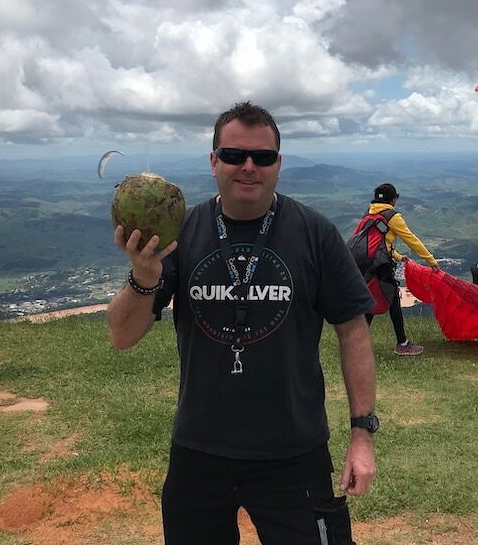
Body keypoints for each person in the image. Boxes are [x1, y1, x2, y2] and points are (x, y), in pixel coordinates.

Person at [107, 101, 377, 545]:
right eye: (233, 156)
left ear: (278, 164)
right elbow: (121, 335)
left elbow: (353, 330)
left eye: (263, 157)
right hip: (199, 450)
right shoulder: (181, 235)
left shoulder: (316, 234)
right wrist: (144, 277)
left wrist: (362, 435)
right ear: (214, 161)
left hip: (294, 451)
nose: (248, 167)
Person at [364, 183, 440, 357]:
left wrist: (397, 256)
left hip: (366, 264)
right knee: (392, 301)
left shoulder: (370, 213)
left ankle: (356, 342)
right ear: (394, 199)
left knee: (372, 301)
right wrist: (431, 261)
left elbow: (377, 242)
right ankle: (402, 344)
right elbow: (411, 240)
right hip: (380, 265)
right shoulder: (392, 216)